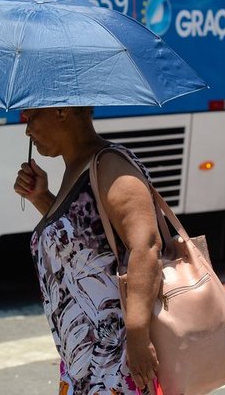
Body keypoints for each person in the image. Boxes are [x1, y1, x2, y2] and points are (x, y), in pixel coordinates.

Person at [14, 106, 163, 394]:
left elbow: (145, 246)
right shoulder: (76, 167)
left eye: (31, 117)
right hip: (84, 362)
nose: (28, 130)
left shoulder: (110, 165)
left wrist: (137, 335)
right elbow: (85, 248)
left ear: (61, 111)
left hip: (116, 357)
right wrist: (41, 197)